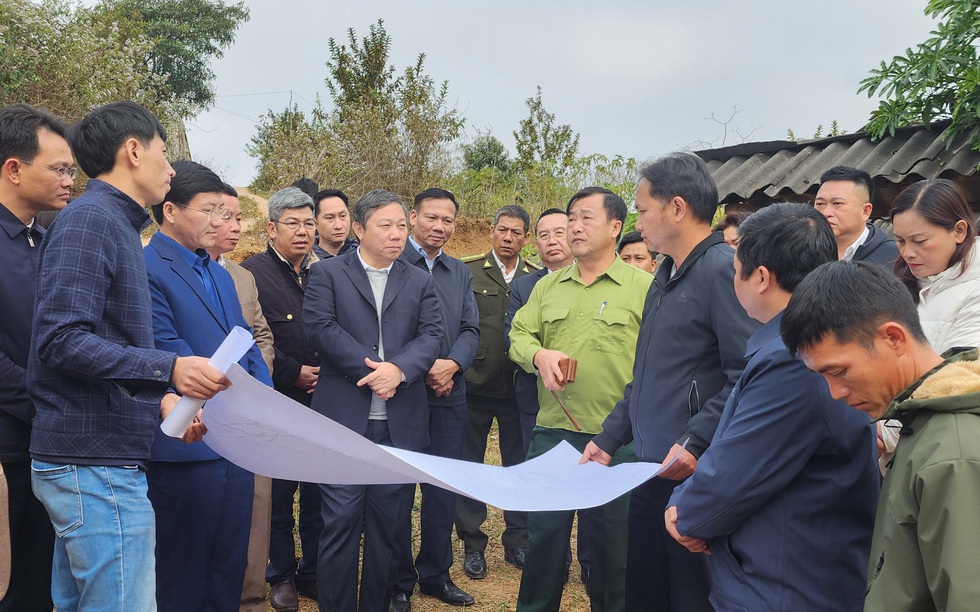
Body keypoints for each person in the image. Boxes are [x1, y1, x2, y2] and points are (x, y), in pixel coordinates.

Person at [28, 101, 228, 611]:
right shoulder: (91, 221)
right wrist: (170, 368)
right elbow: (60, 340)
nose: (171, 168)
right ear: (133, 150)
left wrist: (160, 399)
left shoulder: (111, 223)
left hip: (99, 455)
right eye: (166, 153)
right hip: (92, 462)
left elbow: (104, 343)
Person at [665, 203, 879, 611]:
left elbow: (737, 469)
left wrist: (684, 511)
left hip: (784, 581)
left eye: (735, 270)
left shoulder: (791, 359)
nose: (734, 280)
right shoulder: (823, 338)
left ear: (761, 277)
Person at [581, 152, 758, 611]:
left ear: (676, 208)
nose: (636, 221)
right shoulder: (665, 272)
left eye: (641, 209)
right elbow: (647, 375)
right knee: (644, 589)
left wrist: (696, 441)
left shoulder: (722, 270)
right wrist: (608, 437)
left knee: (687, 595)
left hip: (689, 475)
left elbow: (746, 373)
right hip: (647, 466)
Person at [781, 260, 980, 611]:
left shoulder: (954, 453)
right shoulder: (922, 423)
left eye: (839, 371)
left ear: (893, 338)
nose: (835, 393)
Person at [510, 187, 651, 611]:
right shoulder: (549, 287)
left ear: (615, 227)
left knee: (614, 549)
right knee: (544, 543)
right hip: (554, 432)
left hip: (619, 438)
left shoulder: (645, 288)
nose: (574, 226)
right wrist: (539, 354)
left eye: (586, 217)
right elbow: (519, 334)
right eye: (572, 217)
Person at [304, 189, 442, 611]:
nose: (396, 234)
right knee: (340, 522)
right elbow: (320, 328)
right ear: (359, 229)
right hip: (344, 421)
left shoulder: (419, 279)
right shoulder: (328, 273)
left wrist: (399, 371)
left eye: (402, 225)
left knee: (389, 527)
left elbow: (433, 335)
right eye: (386, 225)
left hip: (398, 422)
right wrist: (373, 371)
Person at [144, 160, 273, 611]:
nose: (219, 221)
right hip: (187, 443)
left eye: (224, 211)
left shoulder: (219, 272)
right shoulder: (147, 267)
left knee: (227, 568)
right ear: (171, 210)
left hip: (234, 444)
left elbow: (246, 344)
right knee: (181, 574)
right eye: (209, 210)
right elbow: (166, 346)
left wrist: (266, 401)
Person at [392, 188, 480, 610]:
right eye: (432, 218)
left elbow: (470, 329)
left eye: (447, 220)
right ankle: (397, 581)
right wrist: (423, 367)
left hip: (450, 394)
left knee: (443, 487)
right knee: (400, 489)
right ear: (413, 216)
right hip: (404, 393)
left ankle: (436, 574)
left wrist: (452, 366)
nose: (439, 227)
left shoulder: (459, 271)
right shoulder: (392, 263)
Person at [0, 103, 72, 611]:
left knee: (42, 580)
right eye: (61, 168)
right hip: (9, 442)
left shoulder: (45, 241)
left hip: (50, 439)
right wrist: (43, 398)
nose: (71, 179)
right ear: (14, 168)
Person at [240, 186, 322, 610]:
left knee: (317, 491)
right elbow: (253, 338)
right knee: (278, 493)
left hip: (323, 401)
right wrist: (293, 371)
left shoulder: (324, 271)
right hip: (279, 399)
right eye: (293, 223)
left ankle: (312, 570)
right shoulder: (252, 273)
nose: (303, 231)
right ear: (272, 228)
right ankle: (282, 575)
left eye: (309, 222)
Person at [206, 183, 277, 612]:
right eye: (226, 217)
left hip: (248, 408)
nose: (235, 227)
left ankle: (250, 597)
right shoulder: (154, 269)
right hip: (197, 410)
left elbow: (261, 335)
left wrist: (252, 380)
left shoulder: (242, 276)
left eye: (238, 218)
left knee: (256, 503)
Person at [879, 178, 980, 472]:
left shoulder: (975, 292)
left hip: (942, 456)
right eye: (899, 241)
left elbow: (957, 383)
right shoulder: (909, 284)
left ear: (959, 231)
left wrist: (885, 432)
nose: (907, 252)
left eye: (920, 241)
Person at [457, 204, 534, 579]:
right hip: (474, 384)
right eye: (502, 230)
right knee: (470, 465)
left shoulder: (535, 278)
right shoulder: (467, 271)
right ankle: (472, 543)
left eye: (516, 232)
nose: (508, 238)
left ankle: (517, 538)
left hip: (516, 387)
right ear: (491, 231)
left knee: (517, 465)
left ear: (526, 238)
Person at [505, 208, 575, 452]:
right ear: (535, 243)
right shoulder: (523, 287)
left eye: (559, 233)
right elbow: (512, 337)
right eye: (544, 235)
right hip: (536, 398)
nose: (552, 241)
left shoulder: (595, 280)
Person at [813, 166, 898, 264]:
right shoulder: (802, 253)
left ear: (865, 211)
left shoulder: (894, 258)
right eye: (820, 204)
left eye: (837, 203)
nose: (826, 213)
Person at [312, 188, 359, 259]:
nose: (338, 226)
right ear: (315, 222)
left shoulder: (363, 256)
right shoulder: (304, 259)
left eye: (342, 216)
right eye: (330, 218)